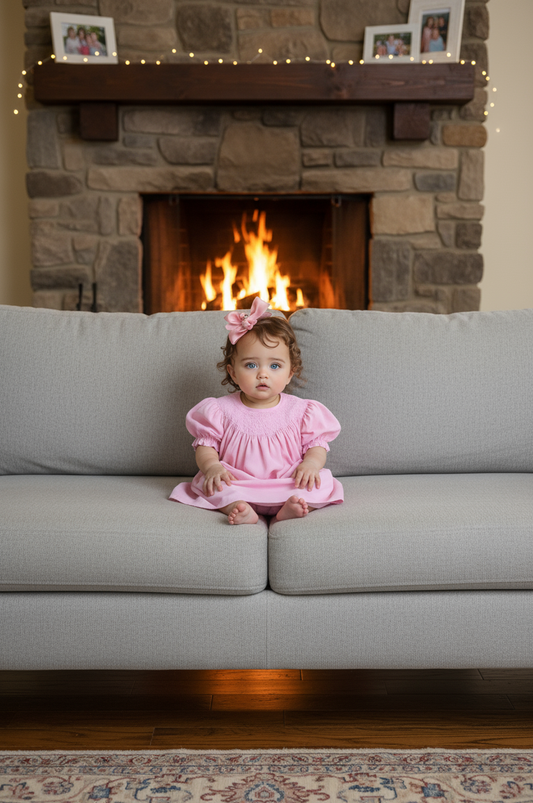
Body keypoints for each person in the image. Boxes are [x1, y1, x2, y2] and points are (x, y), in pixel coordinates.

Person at [170, 298, 344, 524]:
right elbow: (206, 447)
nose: (263, 374)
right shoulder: (219, 410)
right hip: (239, 483)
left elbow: (316, 446)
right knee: (211, 484)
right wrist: (212, 467)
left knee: (321, 482)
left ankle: (290, 508)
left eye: (275, 366)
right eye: (251, 365)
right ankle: (240, 509)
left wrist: (310, 464)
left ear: (290, 374)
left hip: (287, 482)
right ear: (233, 372)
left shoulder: (302, 411)